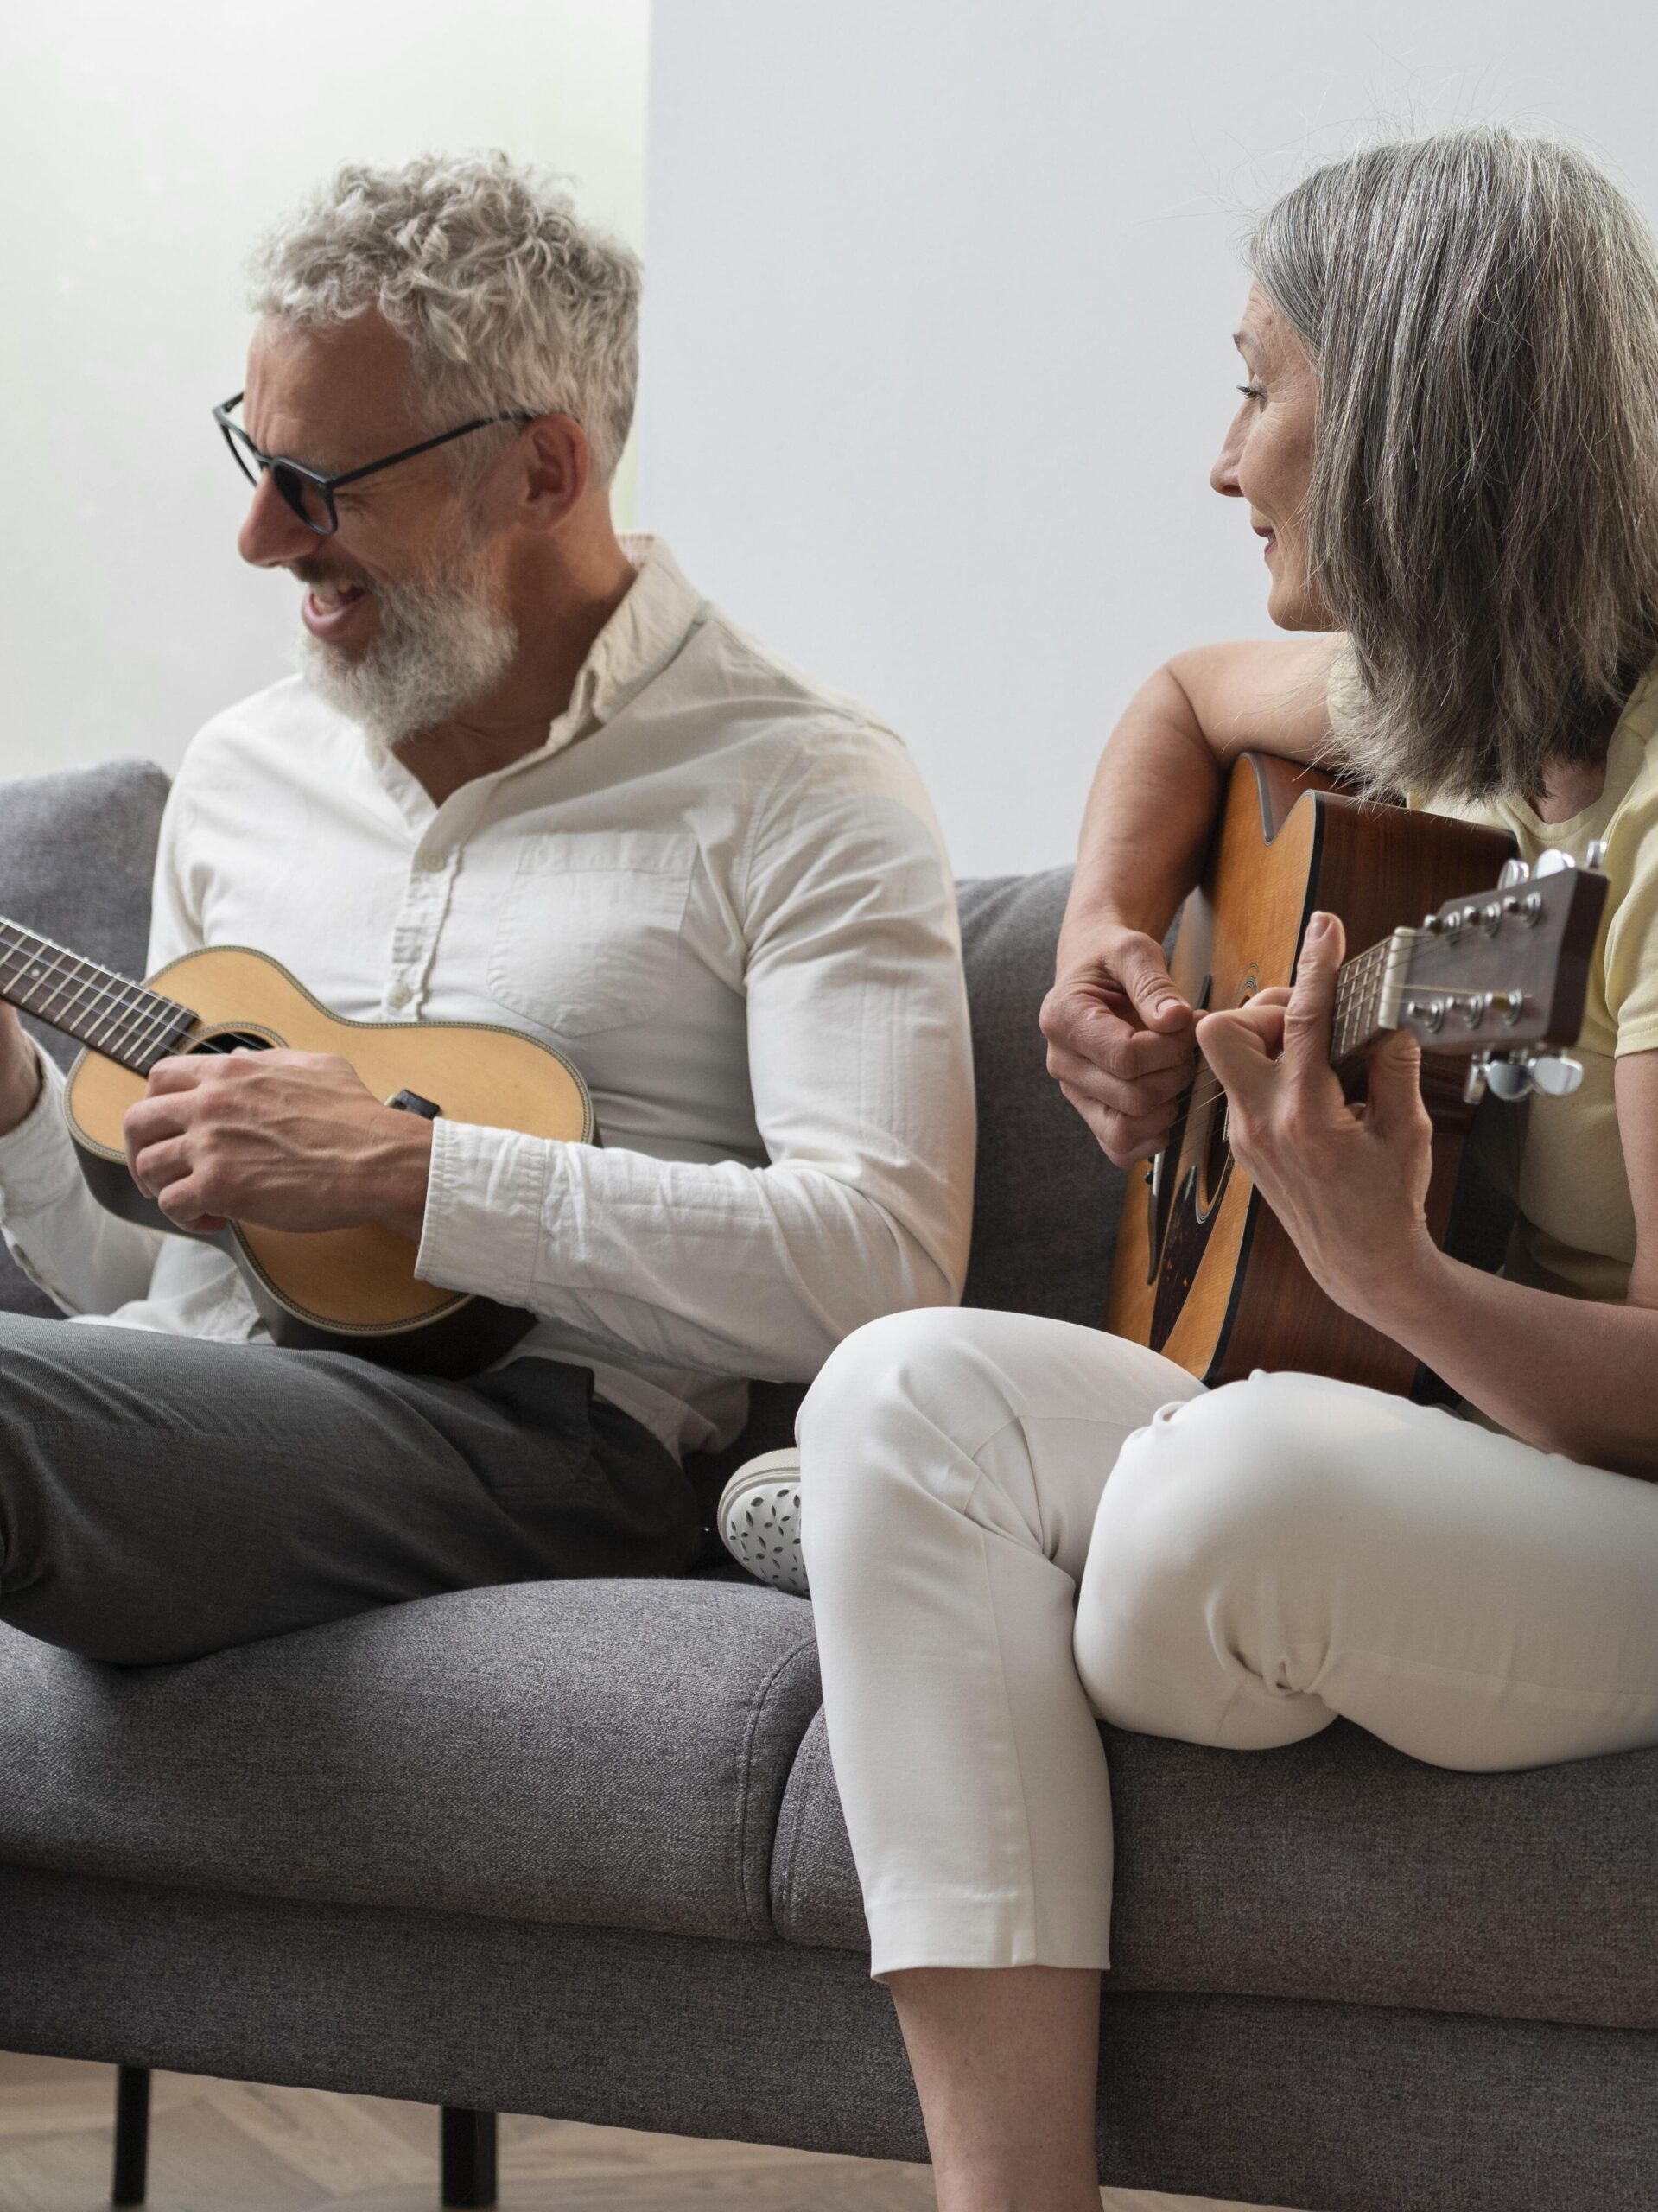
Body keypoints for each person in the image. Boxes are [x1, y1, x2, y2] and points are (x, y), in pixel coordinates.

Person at [720, 127, 1658, 2210]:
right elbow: (1173, 695)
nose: (1221, 460)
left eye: (1257, 387)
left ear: (1408, 419)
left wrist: (1387, 1269)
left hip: (1618, 1514)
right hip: (1438, 1463)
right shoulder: (1473, 707)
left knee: (1203, 1501)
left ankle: (957, 1570)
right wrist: (1101, 955)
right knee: (897, 1382)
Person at [0, 152, 974, 1670]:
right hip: (203, 1423)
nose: (260, 538)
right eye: (250, 458)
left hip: (542, 1445)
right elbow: (162, 1288)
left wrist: (412, 1167)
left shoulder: (800, 782)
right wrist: (14, 1111)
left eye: (321, 484)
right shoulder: (246, 769)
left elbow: (882, 1261)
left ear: (543, 471)